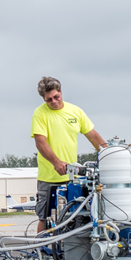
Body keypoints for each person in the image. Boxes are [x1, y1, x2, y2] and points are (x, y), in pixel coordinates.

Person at [31, 76, 106, 233]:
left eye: (56, 97)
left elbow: (93, 136)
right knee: (45, 219)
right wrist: (56, 162)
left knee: (76, 217)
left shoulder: (75, 111)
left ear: (61, 92)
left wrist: (109, 154)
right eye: (49, 100)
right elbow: (40, 142)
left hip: (73, 178)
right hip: (49, 178)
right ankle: (41, 253)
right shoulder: (40, 114)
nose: (53, 101)